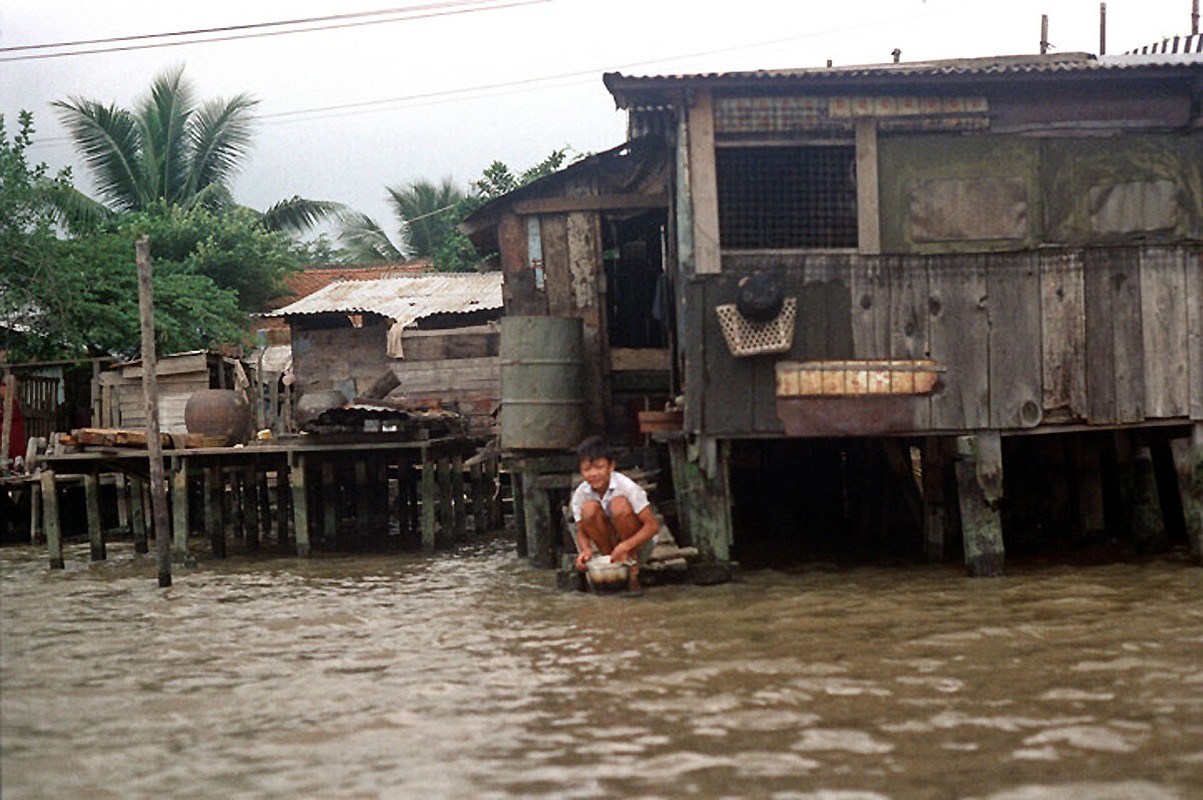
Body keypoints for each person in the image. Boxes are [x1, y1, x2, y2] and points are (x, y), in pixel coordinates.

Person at [570, 435, 659, 589]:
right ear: (580, 471)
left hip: (639, 545)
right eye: (587, 469)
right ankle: (611, 562)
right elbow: (581, 531)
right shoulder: (580, 494)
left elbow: (652, 527)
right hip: (610, 545)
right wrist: (585, 550)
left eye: (599, 467)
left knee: (619, 505)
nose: (593, 474)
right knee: (588, 509)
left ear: (611, 466)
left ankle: (631, 567)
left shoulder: (627, 487)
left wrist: (625, 546)